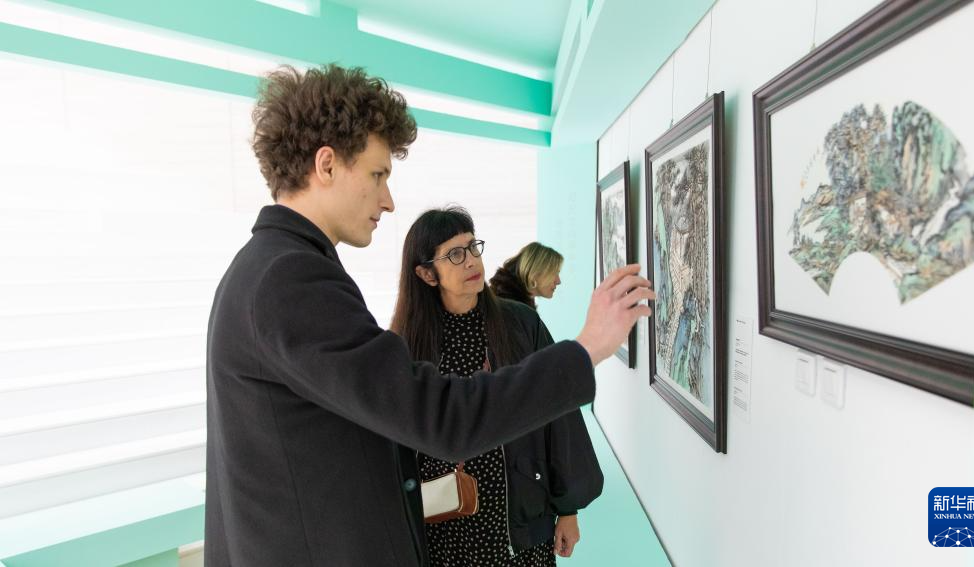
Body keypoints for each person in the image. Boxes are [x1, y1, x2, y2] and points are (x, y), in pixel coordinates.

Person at [204, 63, 654, 567]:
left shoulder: (265, 268)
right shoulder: (290, 279)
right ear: (326, 165)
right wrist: (588, 347)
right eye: (377, 175)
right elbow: (441, 418)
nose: (388, 201)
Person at [390, 207, 602, 566]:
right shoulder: (407, 344)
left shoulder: (521, 324)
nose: (471, 260)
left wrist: (568, 509)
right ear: (426, 274)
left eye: (473, 247)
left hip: (519, 519)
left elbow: (559, 413)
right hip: (444, 526)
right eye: (455, 254)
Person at [490, 242, 563, 309]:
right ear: (534, 272)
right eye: (554, 273)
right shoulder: (509, 309)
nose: (558, 281)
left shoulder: (516, 307)